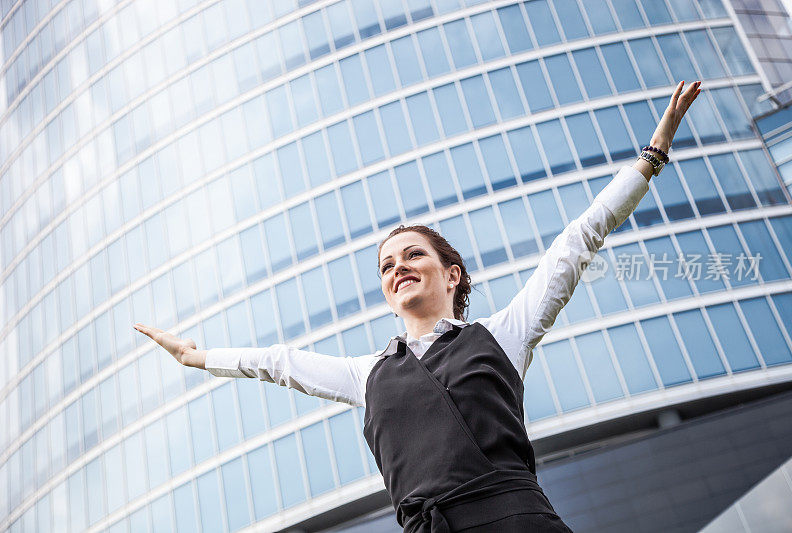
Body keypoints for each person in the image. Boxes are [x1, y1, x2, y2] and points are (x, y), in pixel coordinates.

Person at [135, 81, 702, 532]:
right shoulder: (367, 375)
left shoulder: (503, 335)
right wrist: (199, 357)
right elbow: (280, 362)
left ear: (450, 274)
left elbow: (579, 240)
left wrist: (651, 158)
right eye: (387, 265)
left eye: (411, 255)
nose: (397, 267)